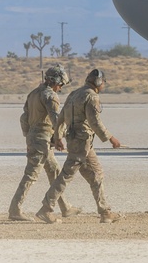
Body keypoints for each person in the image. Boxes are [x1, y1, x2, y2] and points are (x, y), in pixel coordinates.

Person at [37, 68, 122, 224]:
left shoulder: (74, 94)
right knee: (65, 176)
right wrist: (110, 138)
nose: (103, 85)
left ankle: (105, 212)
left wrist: (58, 136)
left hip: (77, 141)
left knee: (96, 174)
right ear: (97, 82)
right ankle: (46, 208)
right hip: (81, 143)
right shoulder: (92, 97)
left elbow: (61, 117)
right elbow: (94, 121)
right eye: (103, 82)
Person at [8, 64, 81, 221]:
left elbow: (24, 118)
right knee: (31, 175)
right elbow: (56, 119)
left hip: (37, 139)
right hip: (42, 140)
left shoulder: (33, 94)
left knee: (54, 170)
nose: (60, 88)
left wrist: (28, 137)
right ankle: (15, 210)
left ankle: (65, 207)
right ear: (55, 81)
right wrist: (59, 138)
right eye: (60, 84)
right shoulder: (50, 96)